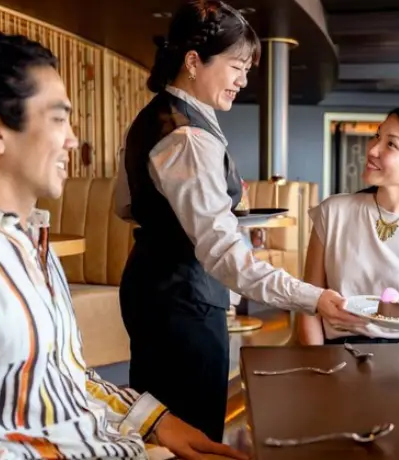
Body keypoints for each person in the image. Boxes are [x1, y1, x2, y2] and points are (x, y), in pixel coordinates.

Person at [113, 1, 363, 441]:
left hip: (152, 289)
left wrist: (210, 218)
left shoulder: (152, 118)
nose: (243, 80)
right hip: (183, 301)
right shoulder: (189, 137)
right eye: (236, 66)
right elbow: (223, 254)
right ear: (194, 62)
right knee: (192, 434)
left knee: (158, 428)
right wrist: (311, 297)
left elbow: (125, 204)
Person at [0, 31, 246, 460]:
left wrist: (160, 422)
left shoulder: (36, 243)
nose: (73, 140)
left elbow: (69, 378)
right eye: (58, 119)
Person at [297, 104, 399, 345]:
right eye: (377, 136)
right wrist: (318, 370)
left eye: (391, 144)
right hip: (333, 355)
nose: (372, 149)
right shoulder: (332, 212)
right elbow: (308, 305)